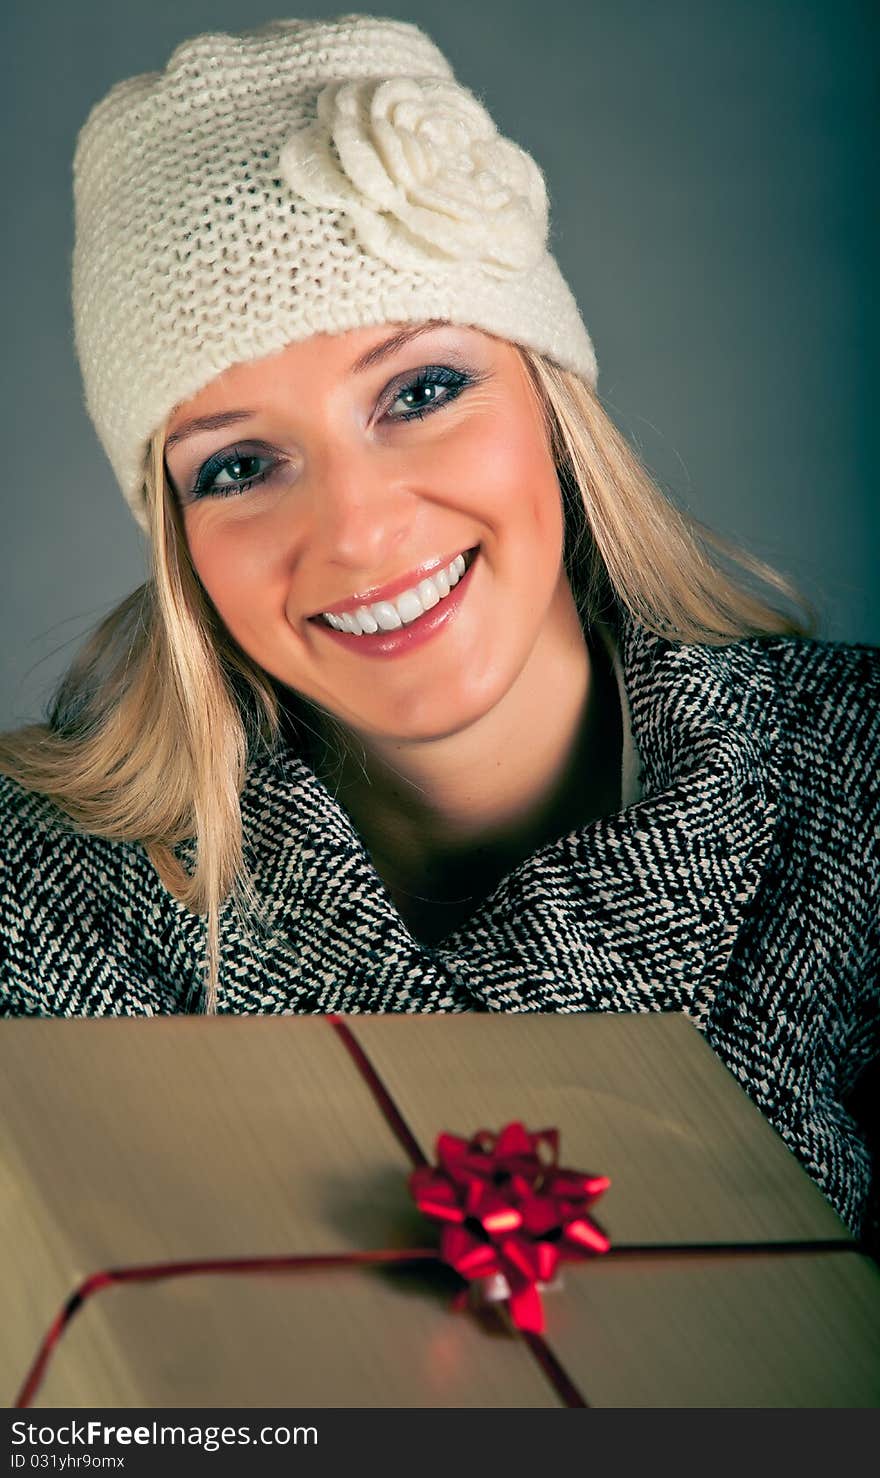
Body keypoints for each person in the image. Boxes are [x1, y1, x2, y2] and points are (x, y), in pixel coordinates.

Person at [0, 16, 877, 1253]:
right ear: (176, 537)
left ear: (548, 397)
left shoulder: (859, 790)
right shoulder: (34, 913)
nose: (356, 533)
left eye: (421, 391)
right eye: (240, 464)